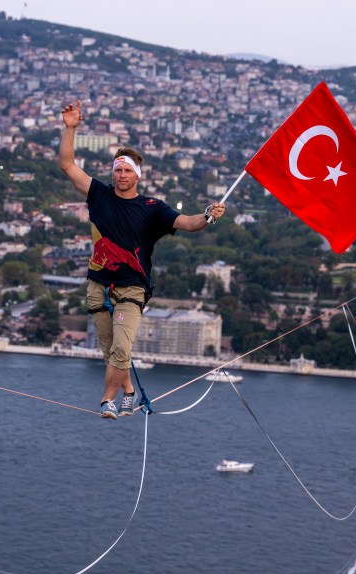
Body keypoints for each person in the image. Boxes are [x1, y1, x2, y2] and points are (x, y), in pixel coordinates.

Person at [58, 99, 226, 419]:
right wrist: (70, 129)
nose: (121, 175)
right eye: (117, 170)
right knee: (110, 351)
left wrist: (208, 215)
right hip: (99, 284)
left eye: (126, 170)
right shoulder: (99, 195)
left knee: (121, 349)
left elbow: (189, 224)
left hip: (132, 289)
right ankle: (128, 391)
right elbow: (67, 165)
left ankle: (107, 402)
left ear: (137, 175)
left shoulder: (153, 208)